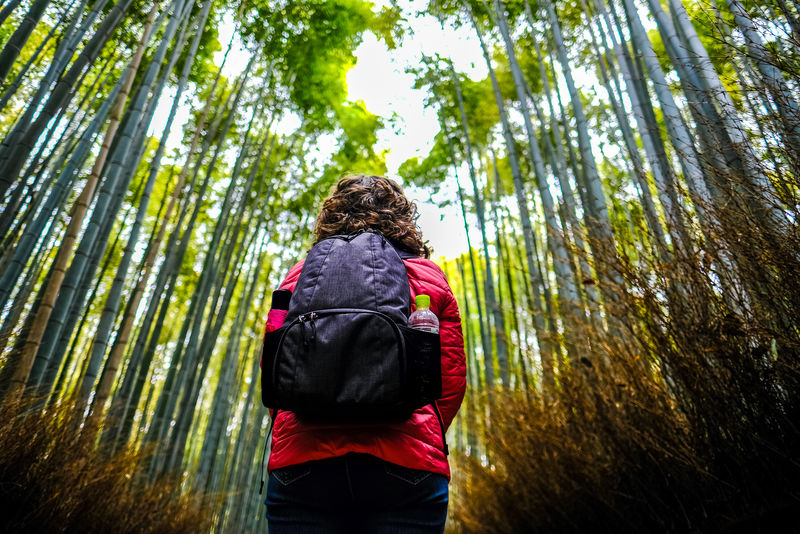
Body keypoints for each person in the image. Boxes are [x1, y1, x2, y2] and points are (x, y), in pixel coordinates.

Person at [262, 174, 467, 534]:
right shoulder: (428, 277)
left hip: (303, 462)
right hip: (408, 462)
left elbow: (274, 373)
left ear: (331, 215)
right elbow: (448, 382)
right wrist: (418, 431)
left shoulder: (298, 277)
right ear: (403, 218)